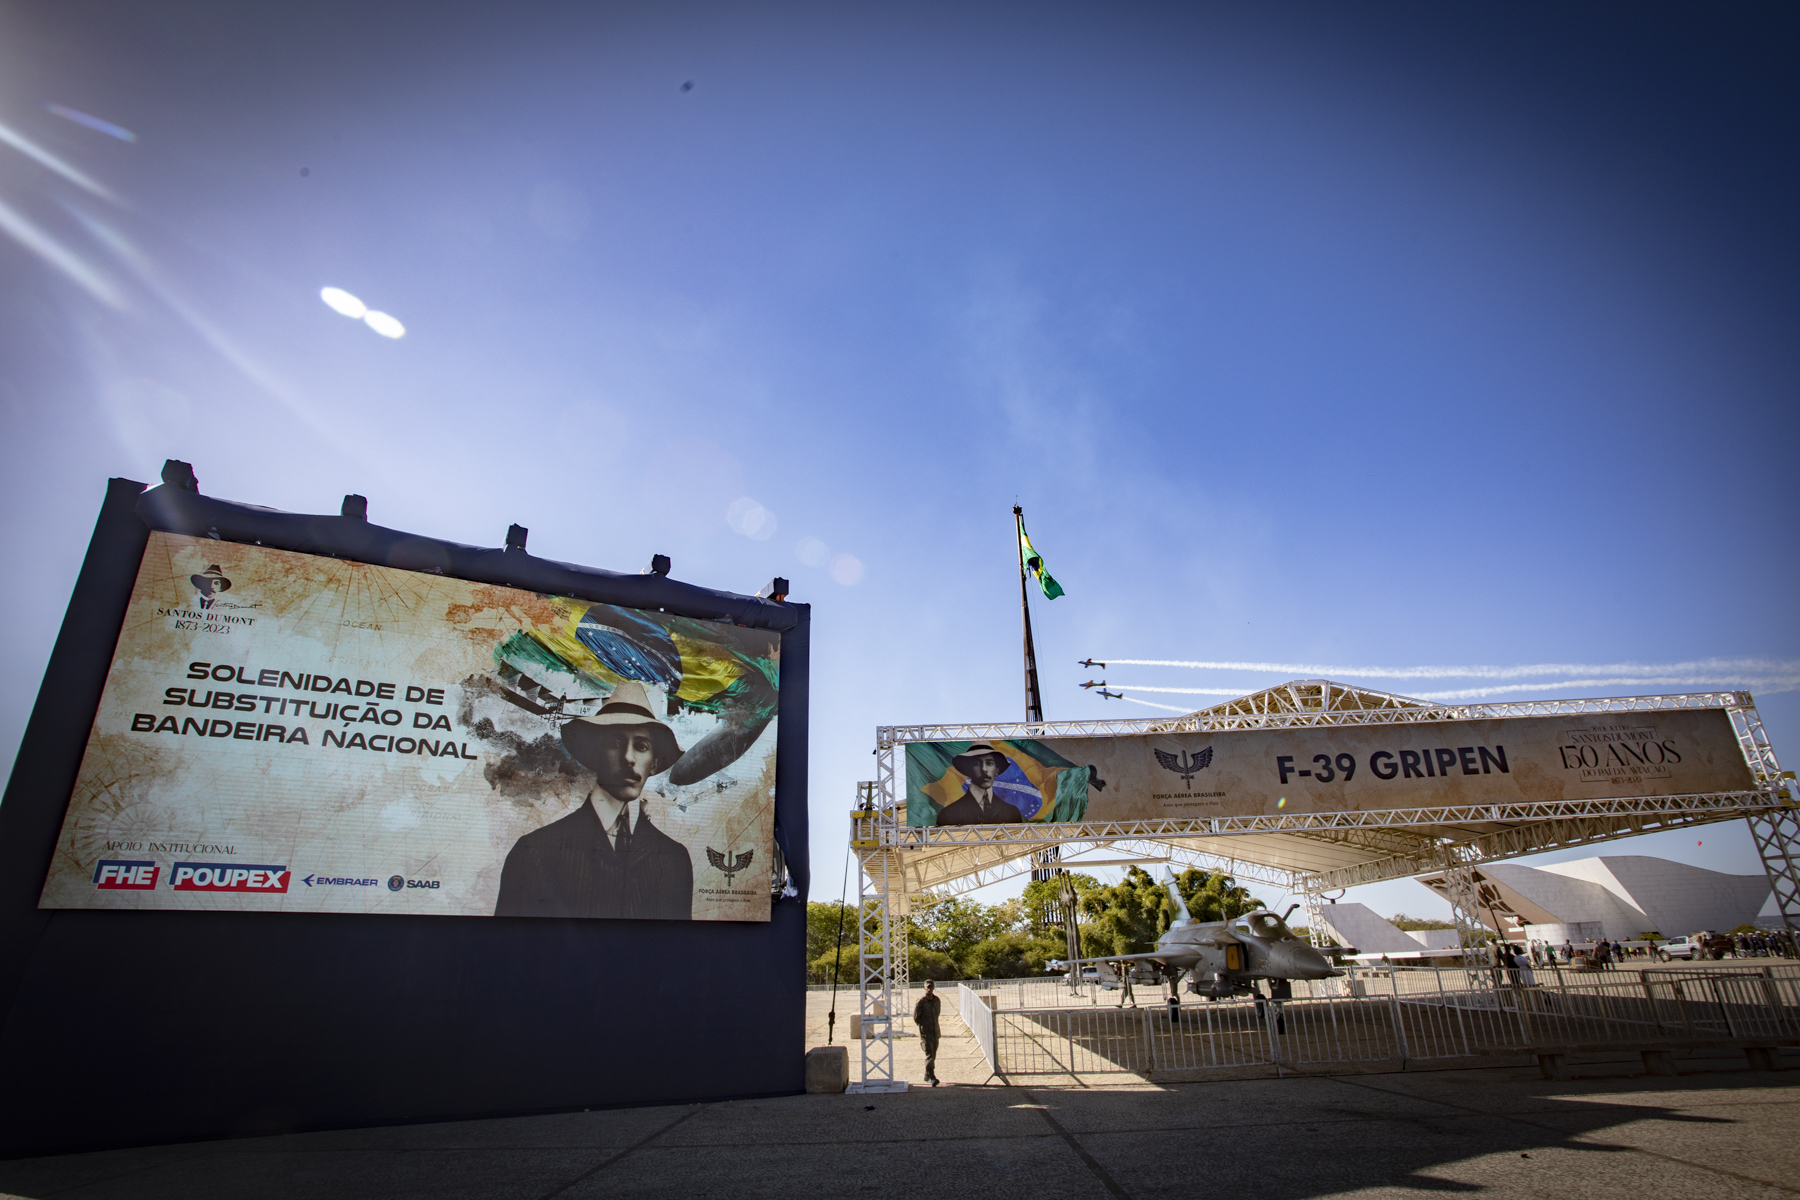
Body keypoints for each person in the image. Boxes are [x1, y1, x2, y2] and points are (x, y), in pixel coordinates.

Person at [494, 680, 693, 919]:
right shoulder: (534, 851)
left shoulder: (674, 860)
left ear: (655, 764)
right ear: (595, 754)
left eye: (641, 746)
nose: (628, 757)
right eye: (615, 743)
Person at [936, 743, 1025, 825]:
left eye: (989, 763)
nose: (984, 769)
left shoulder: (1012, 813)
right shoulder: (949, 814)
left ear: (997, 770)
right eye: (977, 763)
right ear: (968, 770)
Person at [914, 980, 942, 1086]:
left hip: (935, 1031)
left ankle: (927, 1074)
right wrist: (923, 1026)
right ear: (924, 988)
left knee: (933, 1054)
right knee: (929, 1054)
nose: (929, 989)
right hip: (926, 1032)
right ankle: (932, 1076)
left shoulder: (937, 1000)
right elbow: (916, 1017)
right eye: (927, 987)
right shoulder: (921, 1001)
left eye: (931, 987)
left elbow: (937, 1014)